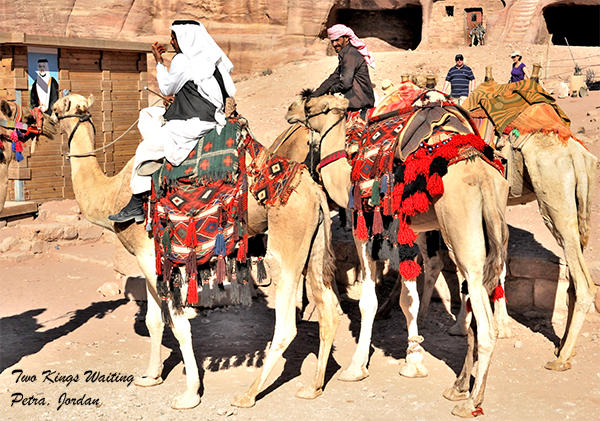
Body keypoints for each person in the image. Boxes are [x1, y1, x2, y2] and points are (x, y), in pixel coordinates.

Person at [109, 20, 236, 223]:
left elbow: (167, 88)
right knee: (149, 113)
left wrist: (159, 61)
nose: (171, 42)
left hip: (190, 126)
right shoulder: (213, 61)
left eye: (174, 37)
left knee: (145, 149)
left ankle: (136, 203)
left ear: (185, 39)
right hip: (211, 120)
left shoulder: (183, 60)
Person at [312, 24, 375, 114]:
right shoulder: (346, 54)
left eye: (337, 40)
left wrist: (331, 90)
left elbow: (346, 84)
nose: (334, 44)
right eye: (332, 41)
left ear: (346, 39)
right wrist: (315, 94)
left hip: (359, 103)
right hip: (354, 101)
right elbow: (334, 77)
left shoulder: (350, 55)